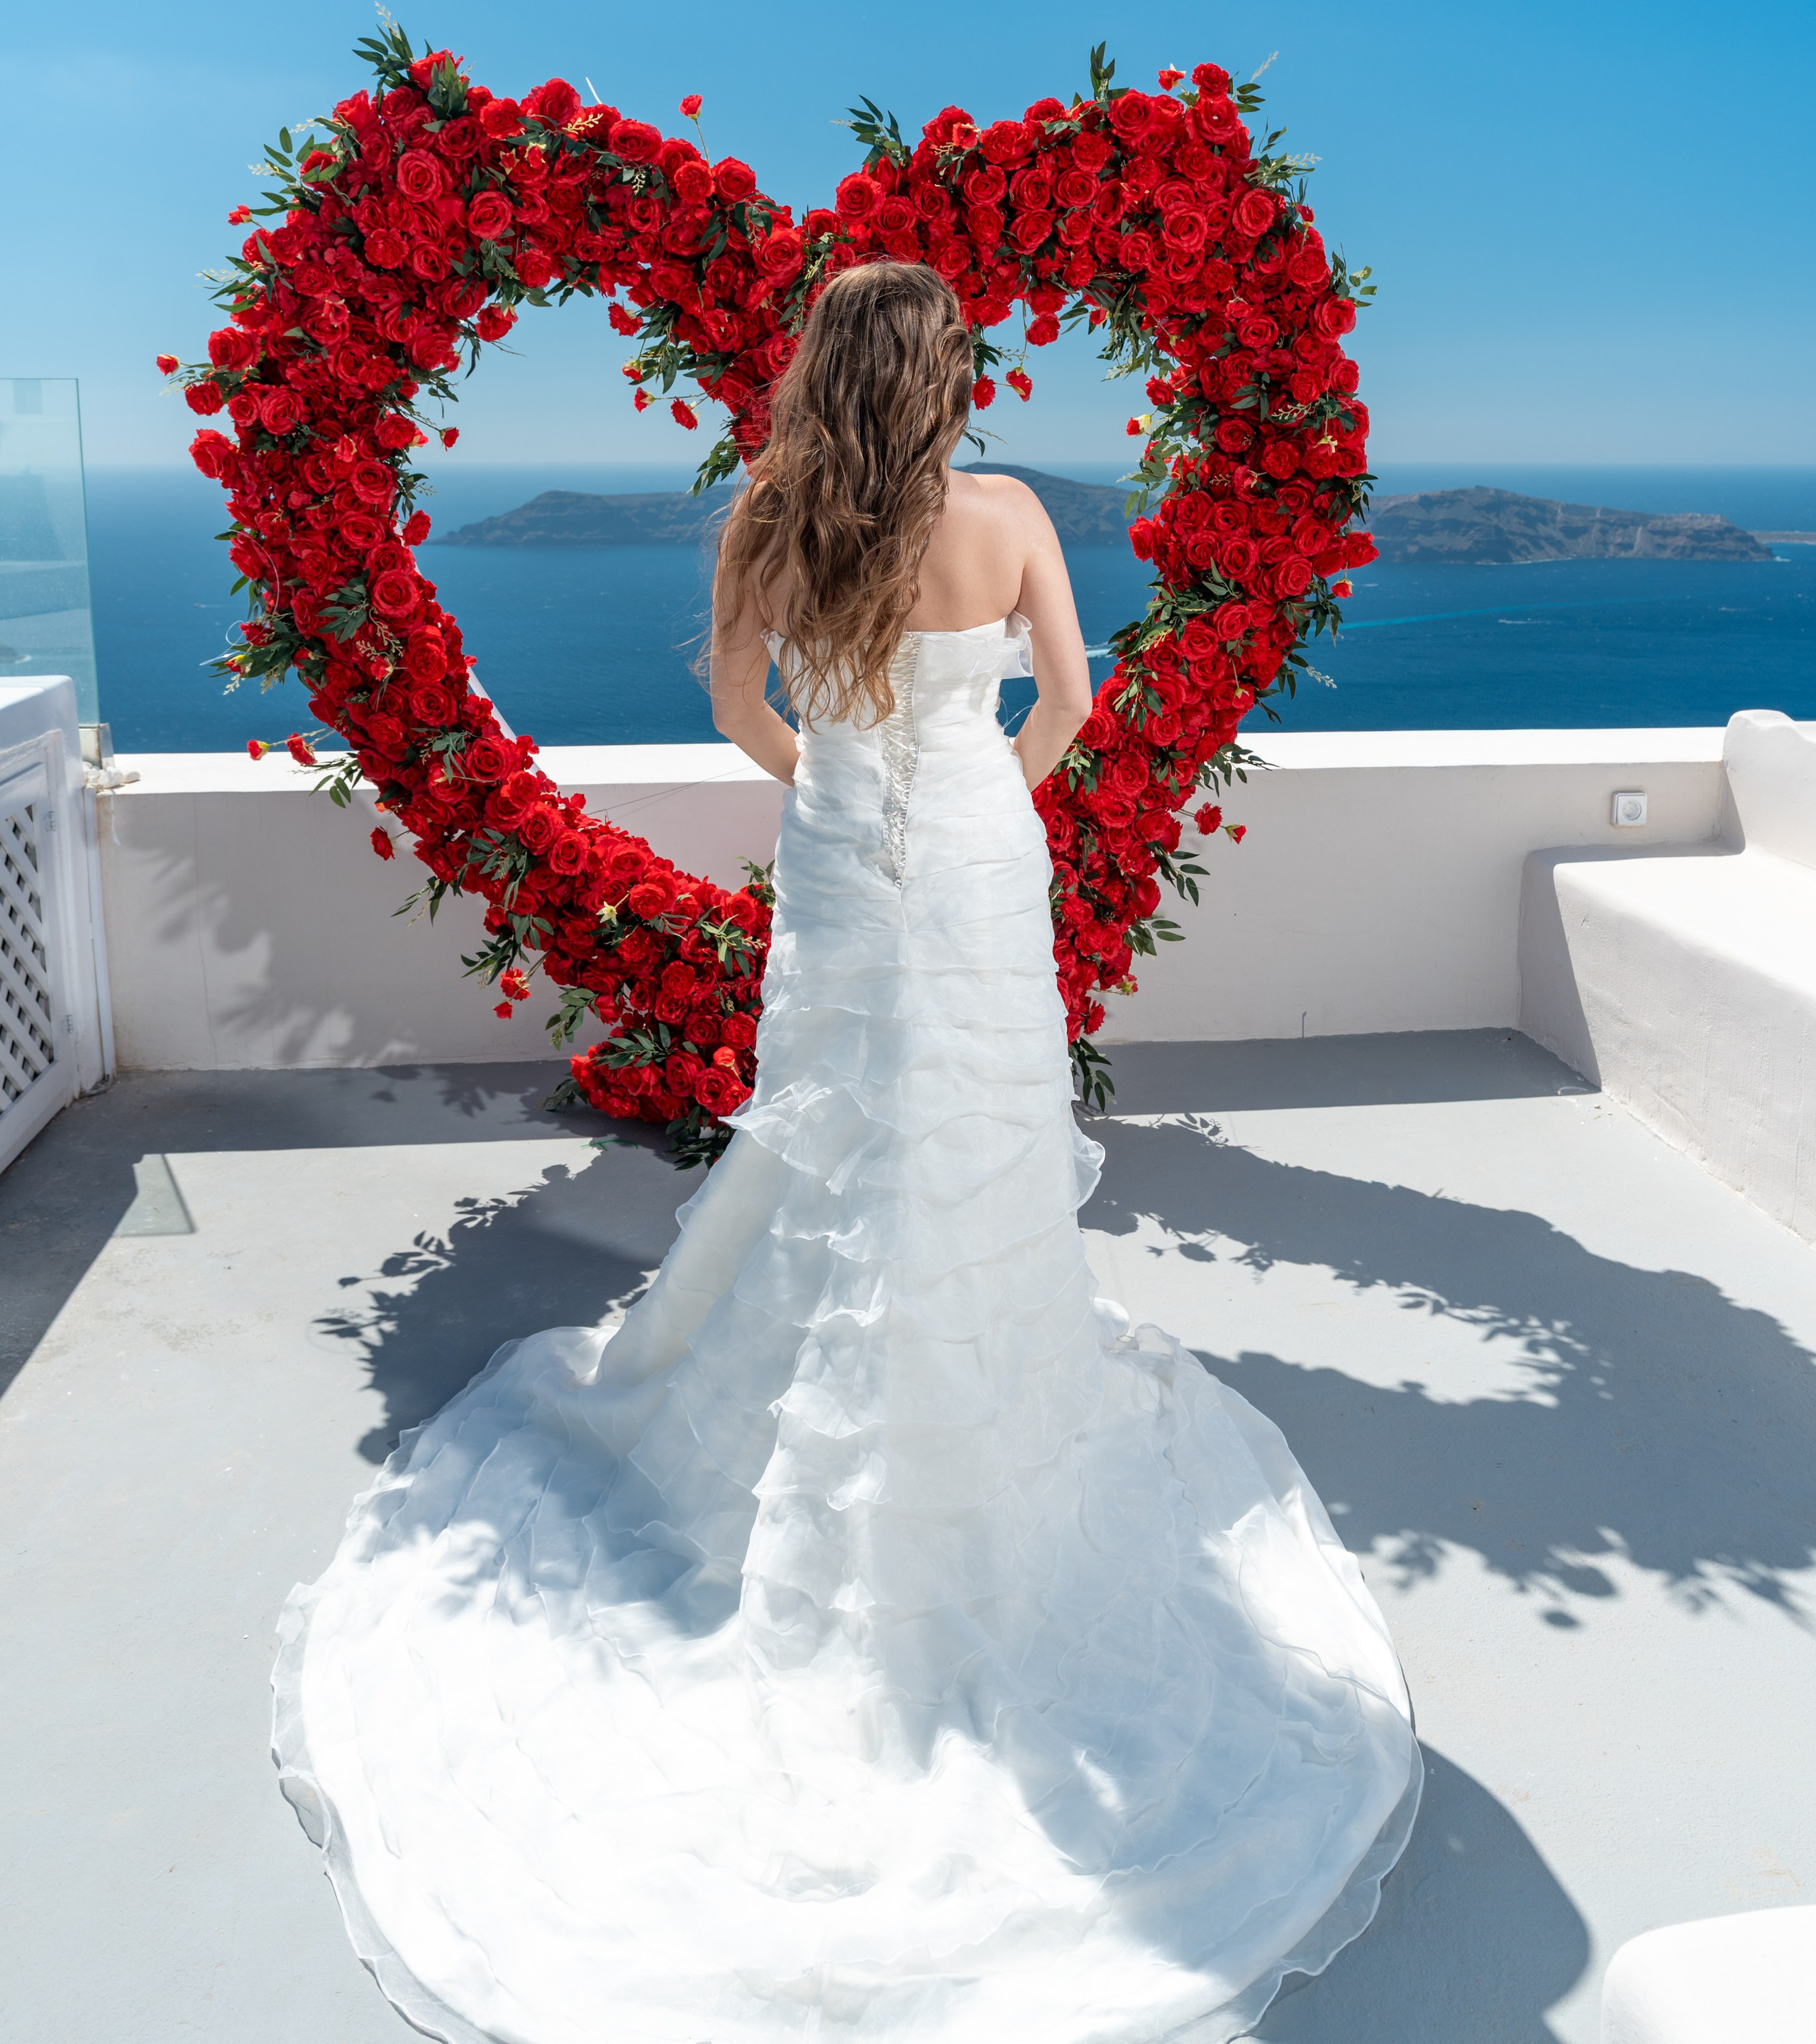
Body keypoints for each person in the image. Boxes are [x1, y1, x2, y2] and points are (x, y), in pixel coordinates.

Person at [275, 258, 1421, 2044]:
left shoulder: (769, 514)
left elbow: (742, 714)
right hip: (973, 856)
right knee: (963, 1143)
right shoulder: (1015, 511)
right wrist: (973, 798)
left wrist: (838, 784)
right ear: (949, 371)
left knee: (835, 1139)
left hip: (842, 862)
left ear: (822, 367)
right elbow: (1072, 708)